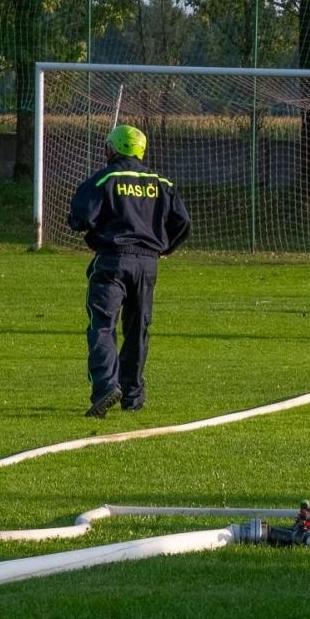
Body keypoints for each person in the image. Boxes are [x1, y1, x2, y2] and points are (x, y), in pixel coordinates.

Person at [68, 124, 192, 417]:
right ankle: (133, 396)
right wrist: (163, 248)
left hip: (112, 261)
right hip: (148, 265)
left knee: (103, 325)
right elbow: (183, 222)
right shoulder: (159, 182)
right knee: (138, 330)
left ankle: (105, 387)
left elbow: (80, 217)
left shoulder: (105, 178)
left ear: (113, 148)